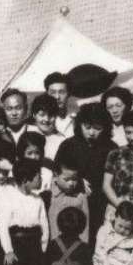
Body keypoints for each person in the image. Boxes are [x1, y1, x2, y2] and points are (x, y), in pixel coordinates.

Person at [55, 102, 116, 246]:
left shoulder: (111, 148)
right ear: (79, 125)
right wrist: (77, 180)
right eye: (87, 127)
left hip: (100, 205)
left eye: (97, 128)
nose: (91, 133)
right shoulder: (68, 145)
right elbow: (58, 172)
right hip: (73, 201)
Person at [28, 94, 65, 163]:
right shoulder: (26, 133)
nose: (46, 119)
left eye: (51, 115)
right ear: (34, 115)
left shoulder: (62, 141)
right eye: (42, 115)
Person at [43, 72, 74, 138]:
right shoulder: (41, 122)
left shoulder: (76, 121)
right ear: (47, 94)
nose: (57, 97)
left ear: (69, 94)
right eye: (53, 93)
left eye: (62, 92)